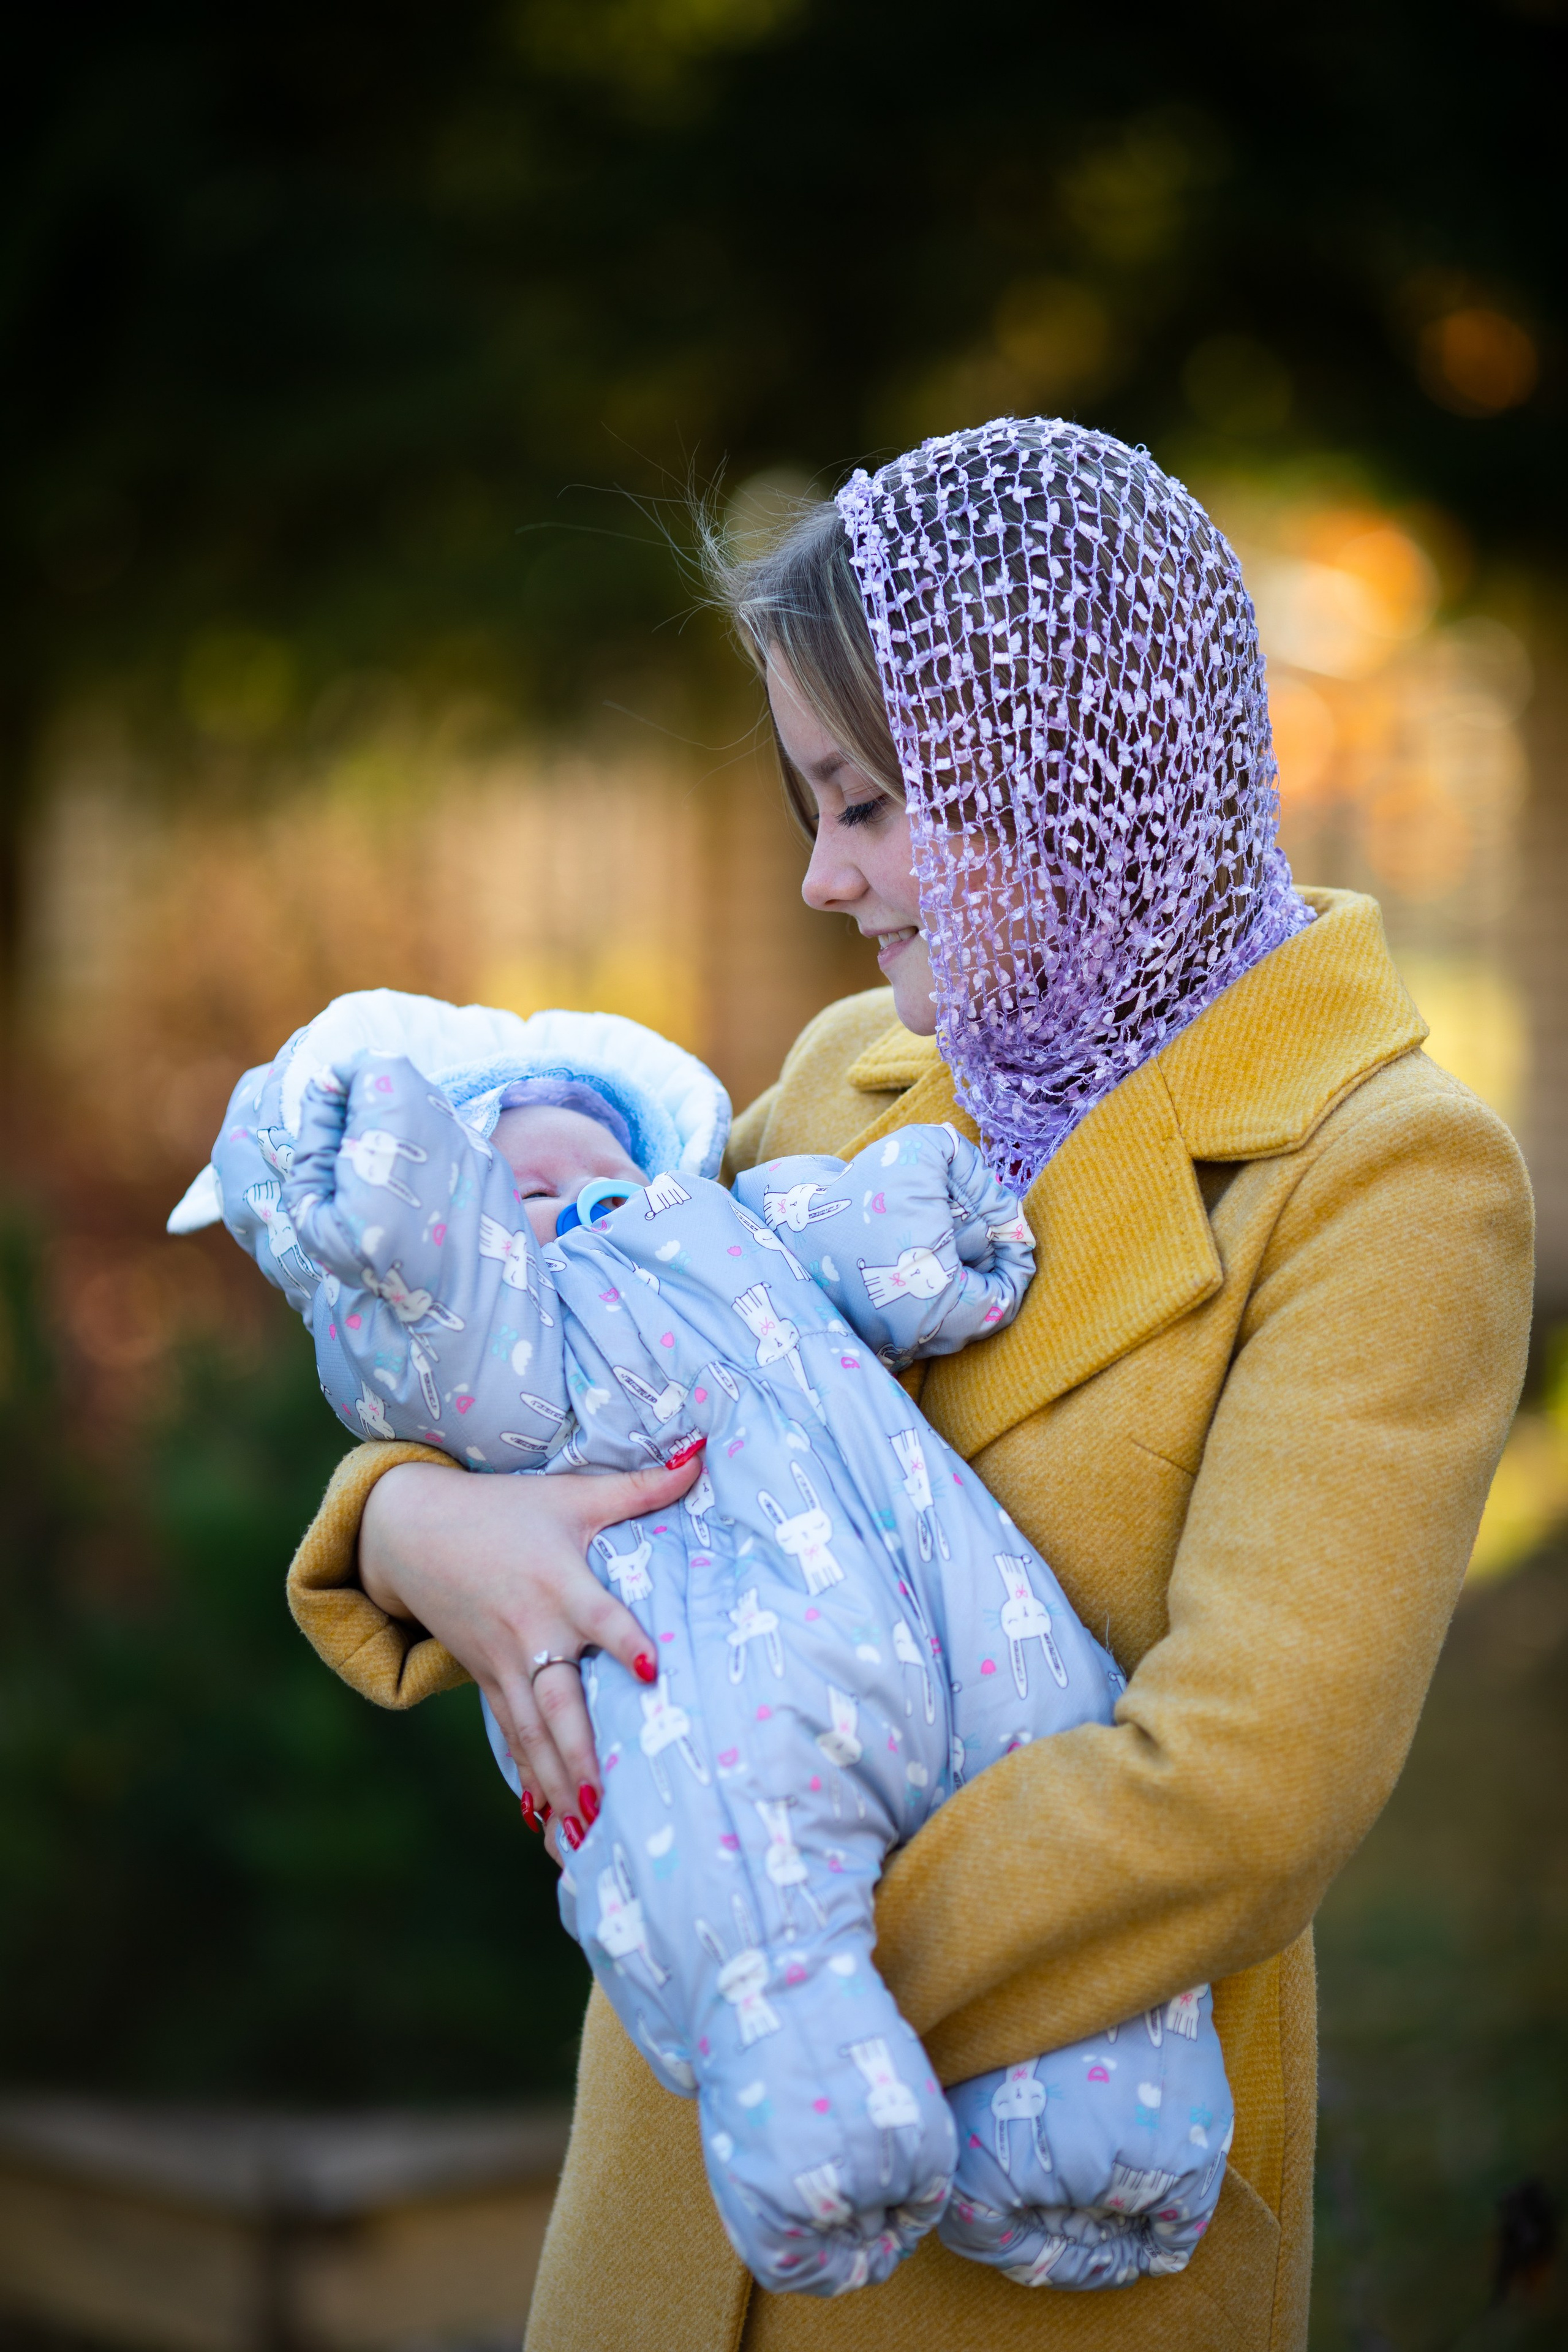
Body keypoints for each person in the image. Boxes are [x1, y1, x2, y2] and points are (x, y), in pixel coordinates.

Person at [281, 419, 1533, 2351]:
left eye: (868, 806)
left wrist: (775, 1978)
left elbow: (1244, 1791)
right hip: (664, 2227)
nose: (819, 878)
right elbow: (587, 1349)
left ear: (1062, 764)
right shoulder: (861, 1071)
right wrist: (423, 1523)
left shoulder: (1386, 1180)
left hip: (1030, 2239)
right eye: (808, 803)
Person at [189, 985, 1232, 2289]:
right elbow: (440, 1360)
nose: (577, 1192)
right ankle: (821, 2142)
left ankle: (1101, 2130)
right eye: (514, 1189)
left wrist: (925, 1225)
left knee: (1052, 1731)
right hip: (720, 1655)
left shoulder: (714, 1214)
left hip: (954, 1598)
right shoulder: (523, 1321)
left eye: (602, 1157)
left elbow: (848, 1230)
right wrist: (407, 1503)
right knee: (744, 1863)